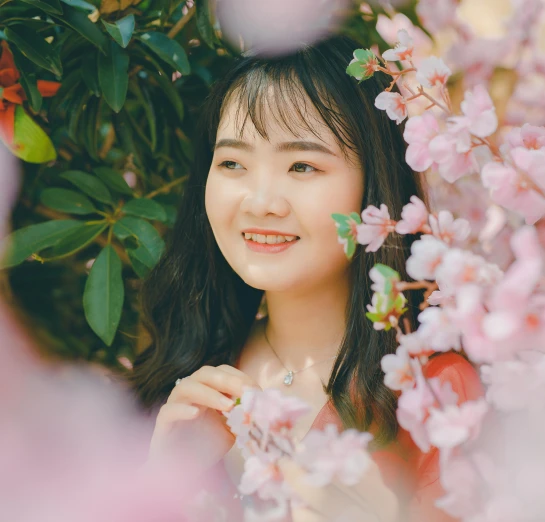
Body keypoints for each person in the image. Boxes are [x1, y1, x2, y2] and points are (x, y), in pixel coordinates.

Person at [129, 34, 483, 522]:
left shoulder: (434, 390)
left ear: (373, 186)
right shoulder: (183, 372)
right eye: (232, 163)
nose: (260, 201)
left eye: (302, 165)